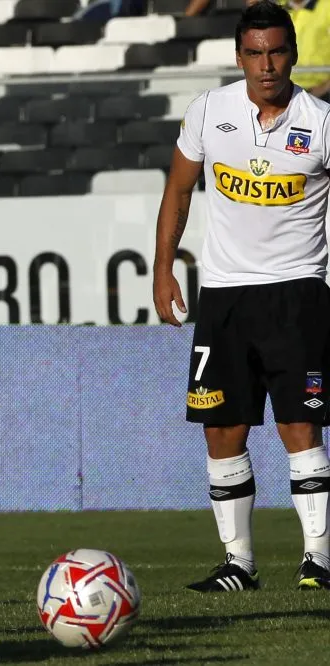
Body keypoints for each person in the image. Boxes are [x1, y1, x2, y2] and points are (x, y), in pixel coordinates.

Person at [153, 0, 330, 592]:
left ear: (294, 55)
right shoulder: (209, 110)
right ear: (238, 57)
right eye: (254, 53)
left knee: (300, 428)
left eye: (277, 51)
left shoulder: (322, 122)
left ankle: (319, 561)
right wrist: (163, 271)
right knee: (221, 429)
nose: (266, 64)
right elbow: (178, 191)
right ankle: (239, 565)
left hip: (297, 292)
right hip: (226, 295)